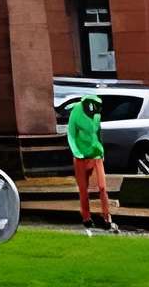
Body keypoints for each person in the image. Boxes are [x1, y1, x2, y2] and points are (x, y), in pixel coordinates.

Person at [63, 91, 114, 230]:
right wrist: (77, 152)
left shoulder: (97, 114)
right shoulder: (76, 113)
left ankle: (107, 216)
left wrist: (101, 149)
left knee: (102, 187)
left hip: (96, 155)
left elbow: (98, 132)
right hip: (81, 157)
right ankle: (86, 217)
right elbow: (71, 135)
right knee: (83, 189)